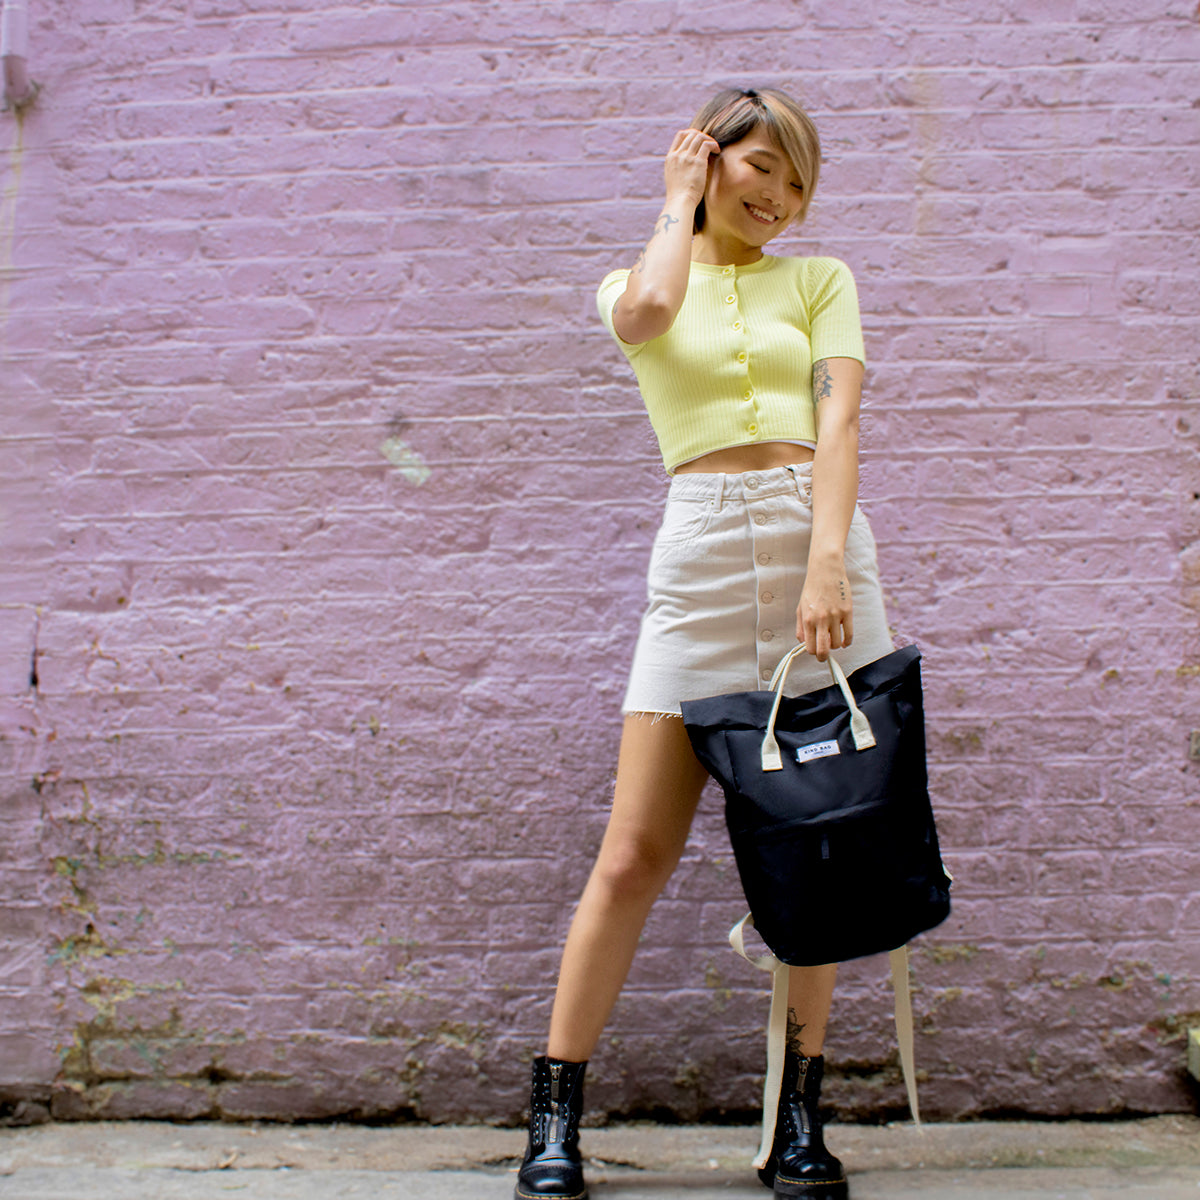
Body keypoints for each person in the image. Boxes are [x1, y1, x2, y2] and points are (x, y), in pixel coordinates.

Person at [515, 87, 895, 1200]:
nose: (778, 196)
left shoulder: (821, 281)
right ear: (707, 157)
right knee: (634, 853)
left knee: (814, 848)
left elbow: (840, 421)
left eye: (797, 180)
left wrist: (827, 564)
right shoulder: (635, 281)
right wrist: (676, 204)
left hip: (821, 553)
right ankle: (554, 1118)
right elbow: (645, 320)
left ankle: (800, 1118)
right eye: (759, 167)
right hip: (701, 558)